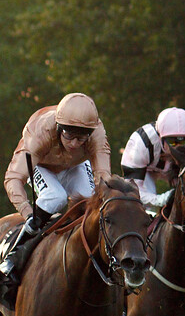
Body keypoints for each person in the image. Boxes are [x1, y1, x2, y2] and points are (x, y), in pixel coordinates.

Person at [1, 93, 110, 282]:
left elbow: (103, 177)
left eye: (81, 137)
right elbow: (13, 178)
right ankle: (14, 255)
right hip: (41, 166)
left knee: (89, 199)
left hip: (75, 166)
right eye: (69, 135)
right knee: (55, 197)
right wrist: (28, 213)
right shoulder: (39, 132)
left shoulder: (97, 133)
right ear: (58, 128)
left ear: (91, 133)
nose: (74, 144)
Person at [121, 107, 185, 210]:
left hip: (177, 171)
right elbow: (131, 190)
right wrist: (161, 199)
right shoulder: (140, 143)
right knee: (143, 208)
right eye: (172, 142)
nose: (178, 147)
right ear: (159, 138)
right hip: (146, 170)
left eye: (183, 142)